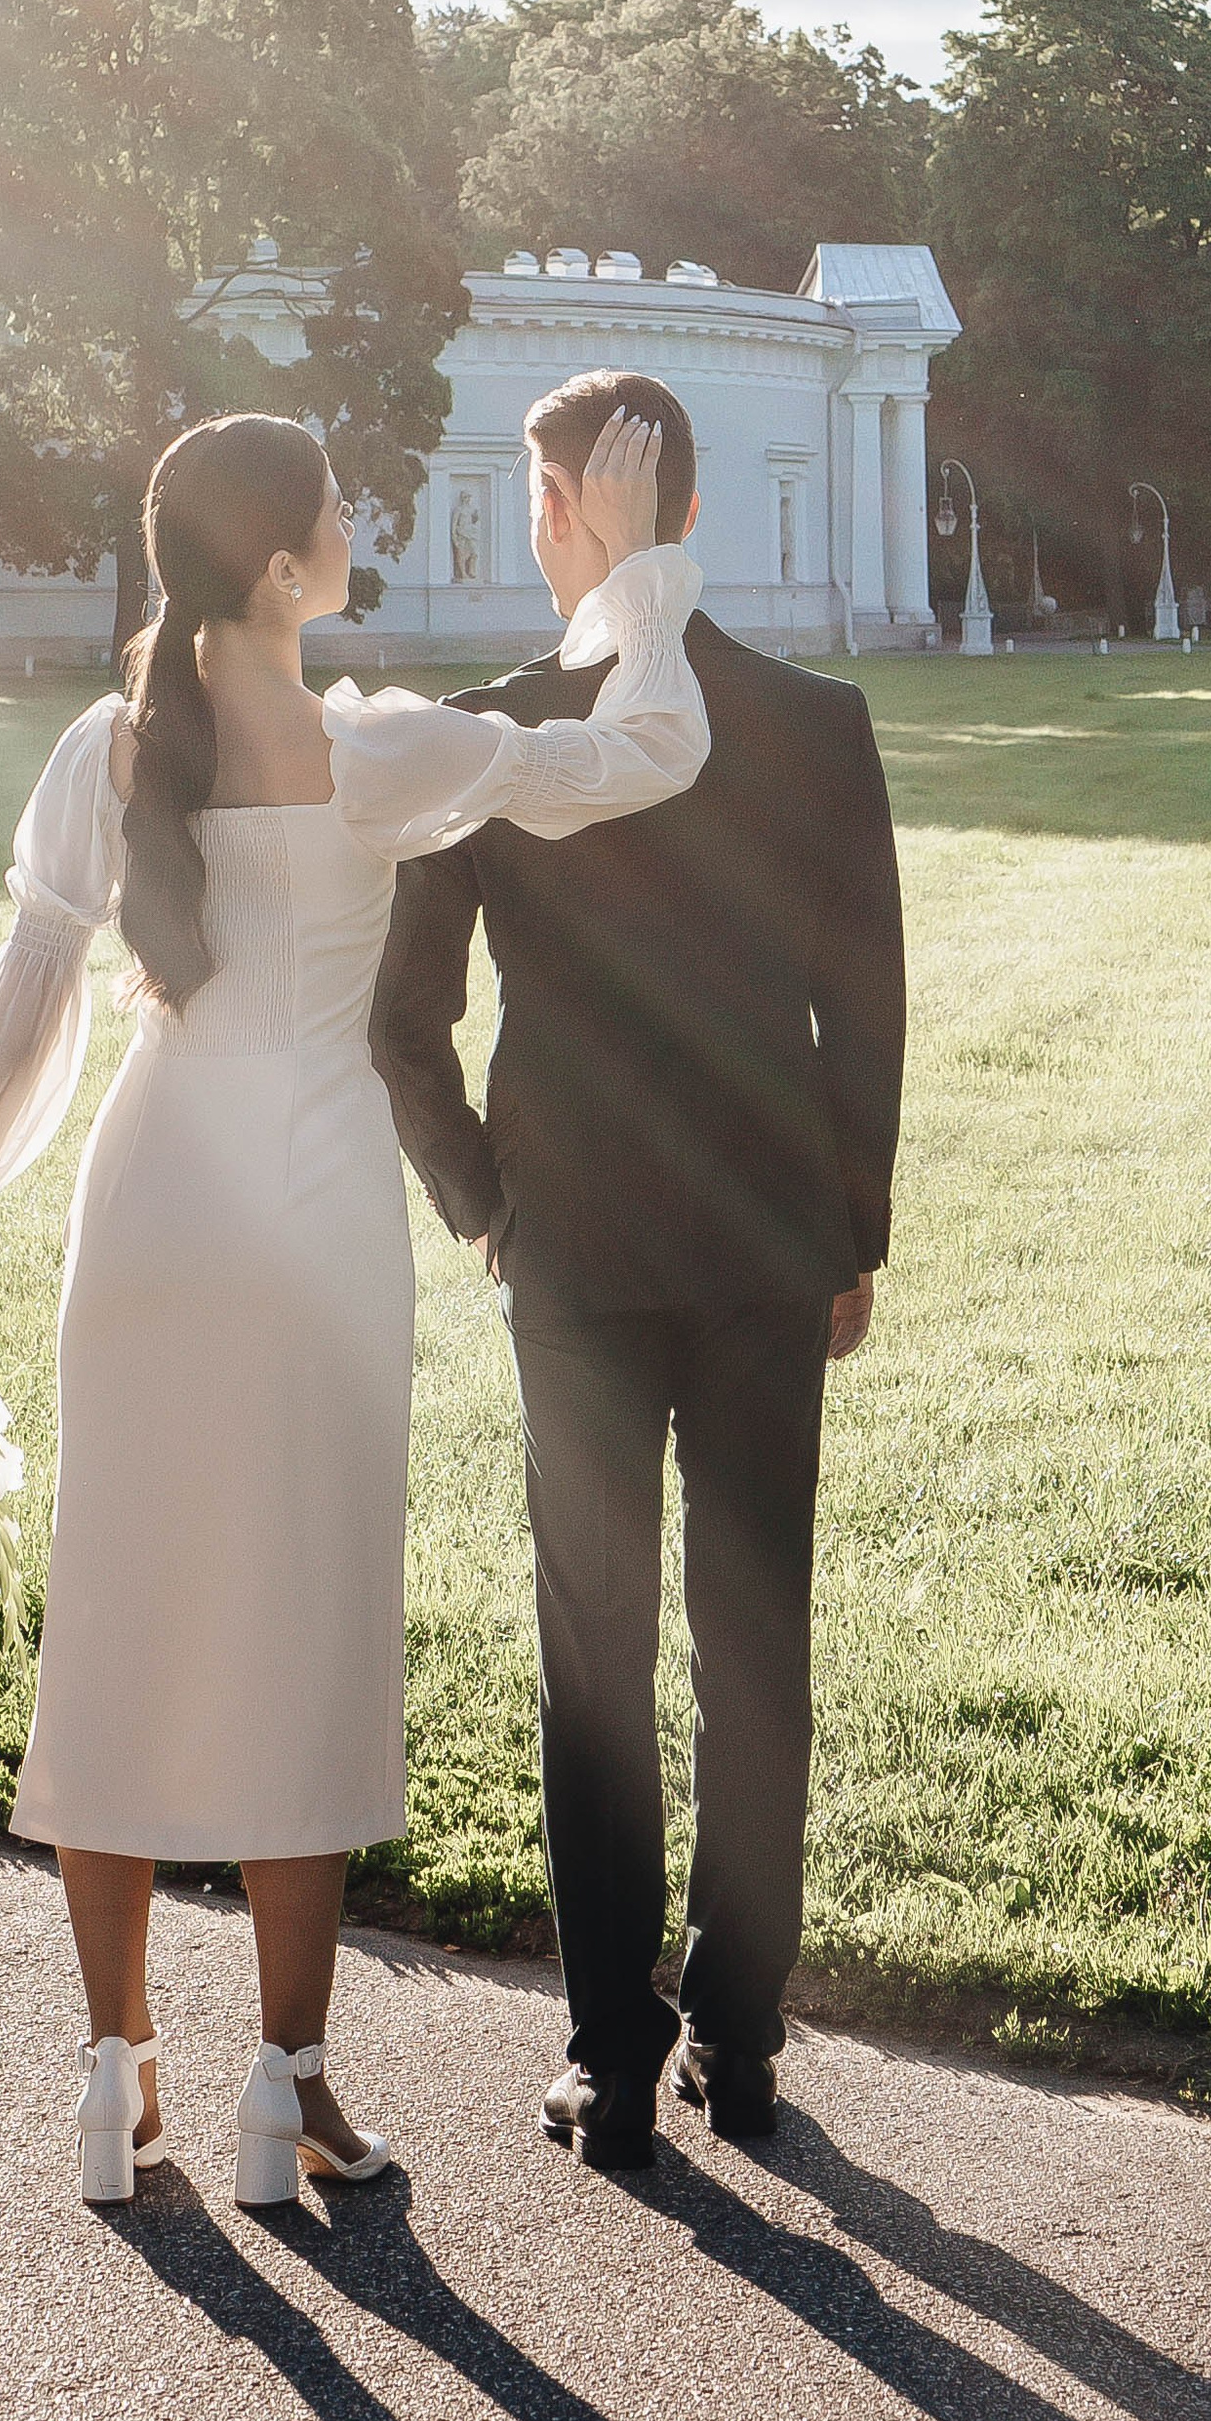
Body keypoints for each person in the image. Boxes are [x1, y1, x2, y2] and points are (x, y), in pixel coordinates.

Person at [0, 406, 705, 2207]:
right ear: (284, 565)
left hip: (146, 1214)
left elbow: (26, 1009)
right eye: (338, 510)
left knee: (122, 1626)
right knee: (303, 1636)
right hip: (313, 1228)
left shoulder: (108, 748)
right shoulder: (378, 753)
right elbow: (649, 752)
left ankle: (112, 2081)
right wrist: (642, 565)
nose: (362, 521)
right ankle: (285, 2094)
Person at [371, 369, 904, 2171]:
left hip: (580, 1253)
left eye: (541, 500)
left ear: (567, 514)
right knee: (759, 1646)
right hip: (761, 1245)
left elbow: (400, 1023)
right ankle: (736, 2036)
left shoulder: (493, 729)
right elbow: (868, 1016)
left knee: (590, 1649)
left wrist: (479, 1200)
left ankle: (614, 2044)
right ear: (693, 516)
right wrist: (854, 1233)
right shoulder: (814, 722)